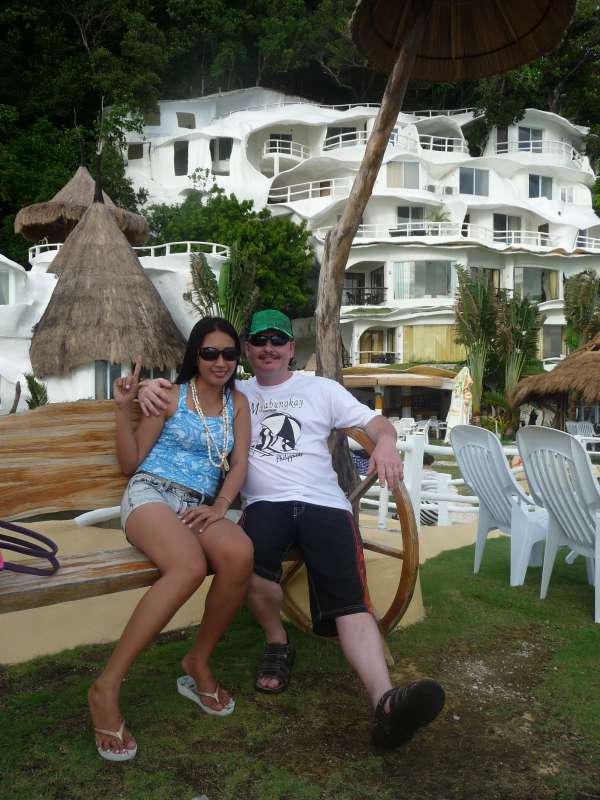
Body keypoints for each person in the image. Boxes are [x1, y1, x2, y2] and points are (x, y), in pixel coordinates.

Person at [139, 309, 445, 749]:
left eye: (277, 341)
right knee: (248, 565)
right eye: (259, 341)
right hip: (265, 505)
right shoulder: (234, 392)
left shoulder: (320, 389)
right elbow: (185, 394)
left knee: (350, 602)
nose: (268, 348)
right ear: (248, 350)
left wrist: (388, 443)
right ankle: (278, 641)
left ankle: (385, 703)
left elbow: (375, 423)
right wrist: (149, 387)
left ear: (290, 349)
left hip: (325, 505)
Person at [88, 317, 253, 762]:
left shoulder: (238, 404)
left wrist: (220, 506)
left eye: (229, 354)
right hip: (150, 494)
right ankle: (106, 686)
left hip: (197, 506)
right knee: (189, 566)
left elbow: (239, 463)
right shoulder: (170, 396)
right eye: (210, 353)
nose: (220, 362)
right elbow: (131, 463)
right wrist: (123, 408)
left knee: (240, 553)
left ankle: (197, 660)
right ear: (195, 356)